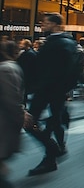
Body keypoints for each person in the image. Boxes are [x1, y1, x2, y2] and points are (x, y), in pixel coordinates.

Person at [24, 12, 77, 176]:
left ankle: (52, 150)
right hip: (52, 91)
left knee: (30, 121)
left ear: (54, 24)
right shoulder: (63, 42)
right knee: (52, 121)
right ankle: (53, 152)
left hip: (48, 91)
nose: (42, 24)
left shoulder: (60, 43)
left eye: (45, 22)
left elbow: (64, 70)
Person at [0, 40, 26, 188]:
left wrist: (20, 116)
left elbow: (11, 99)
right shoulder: (10, 67)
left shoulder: (5, 69)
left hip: (4, 123)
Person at [17, 39, 37, 105]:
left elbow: (26, 65)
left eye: (22, 44)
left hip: (27, 75)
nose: (20, 45)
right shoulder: (28, 52)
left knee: (24, 91)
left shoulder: (29, 54)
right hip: (27, 75)